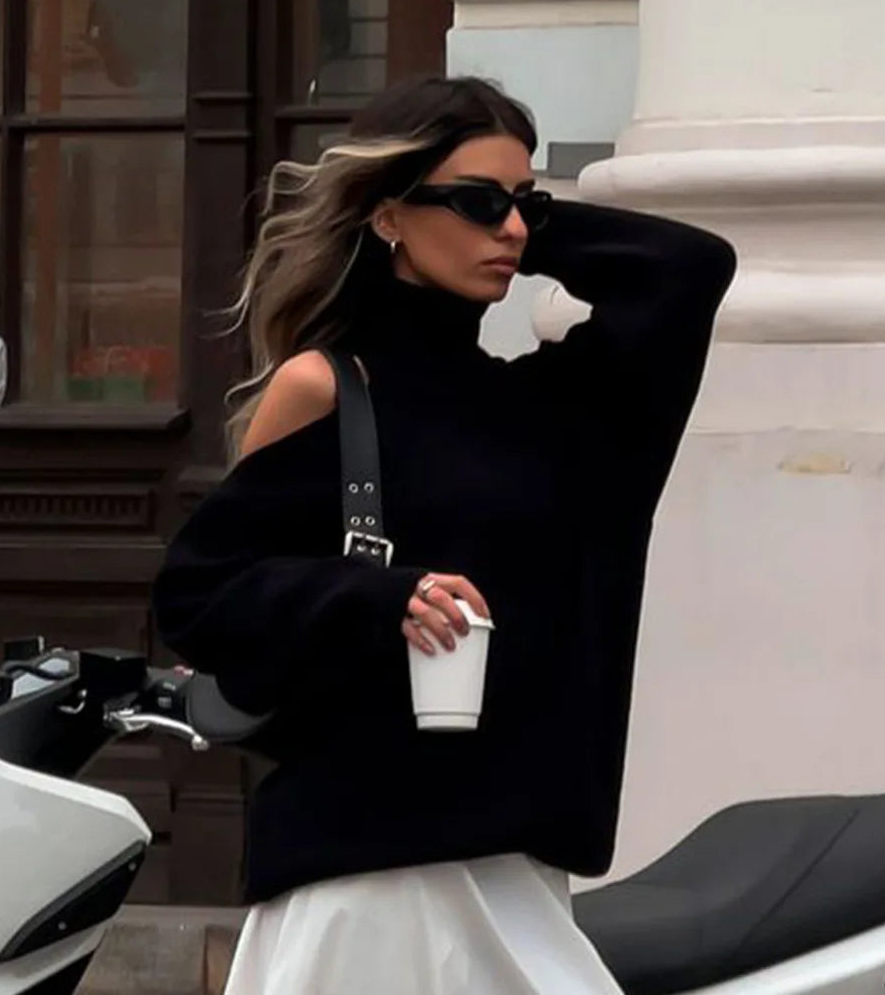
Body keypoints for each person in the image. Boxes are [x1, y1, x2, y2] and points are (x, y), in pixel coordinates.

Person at [151, 75, 737, 994]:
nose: (509, 231)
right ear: (387, 216)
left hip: (520, 873)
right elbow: (200, 596)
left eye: (525, 205)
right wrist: (384, 596)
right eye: (477, 203)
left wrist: (525, 219)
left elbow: (689, 269)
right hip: (364, 874)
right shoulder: (329, 391)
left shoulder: (560, 412)